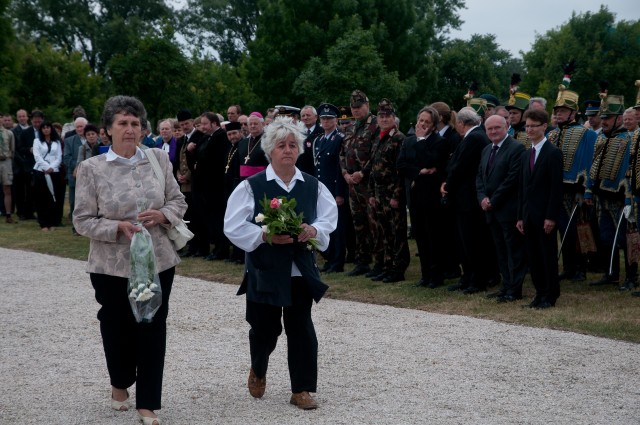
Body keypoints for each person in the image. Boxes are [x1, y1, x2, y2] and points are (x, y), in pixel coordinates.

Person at [73, 96, 187, 425]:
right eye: (122, 123)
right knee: (117, 326)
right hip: (111, 265)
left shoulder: (158, 159)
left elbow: (178, 201)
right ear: (108, 129)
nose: (130, 129)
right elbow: (82, 220)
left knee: (152, 327)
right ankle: (120, 381)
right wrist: (116, 227)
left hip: (157, 260)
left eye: (135, 123)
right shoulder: (92, 168)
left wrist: (163, 214)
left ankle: (147, 403)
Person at [223, 116, 338, 410]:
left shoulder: (313, 185)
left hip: (300, 270)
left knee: (301, 328)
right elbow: (233, 225)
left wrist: (314, 230)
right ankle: (259, 368)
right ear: (270, 150)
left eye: (292, 145)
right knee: (265, 329)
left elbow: (328, 218)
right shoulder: (252, 186)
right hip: (265, 268)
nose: (287, 150)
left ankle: (302, 389)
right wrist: (264, 235)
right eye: (281, 145)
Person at [547, 77, 597, 282]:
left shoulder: (586, 134)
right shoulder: (552, 135)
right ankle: (568, 267)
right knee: (561, 228)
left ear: (573, 113)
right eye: (557, 111)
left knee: (579, 229)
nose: (558, 114)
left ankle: (580, 268)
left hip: (577, 190)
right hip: (556, 189)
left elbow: (590, 162)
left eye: (563, 111)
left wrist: (586, 190)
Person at [441, 107, 496, 294]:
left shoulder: (473, 138)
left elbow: (458, 167)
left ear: (461, 123)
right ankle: (468, 277)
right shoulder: (476, 136)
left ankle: (476, 279)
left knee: (471, 241)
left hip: (468, 199)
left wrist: (447, 186)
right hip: (466, 198)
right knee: (465, 240)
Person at [586, 94, 636, 289]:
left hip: (620, 198)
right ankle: (611, 273)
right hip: (601, 196)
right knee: (606, 237)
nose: (604, 121)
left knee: (626, 238)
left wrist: (629, 198)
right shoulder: (600, 138)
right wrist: (589, 190)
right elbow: (593, 166)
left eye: (608, 118)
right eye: (603, 117)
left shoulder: (629, 139)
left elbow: (631, 171)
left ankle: (631, 277)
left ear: (619, 118)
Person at [476, 115, 527, 302]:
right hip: (491, 211)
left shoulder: (516, 148)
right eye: (489, 129)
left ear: (507, 126)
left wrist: (493, 200)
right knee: (501, 251)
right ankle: (505, 286)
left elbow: (512, 179)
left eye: (497, 127)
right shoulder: (486, 149)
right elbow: (480, 177)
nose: (493, 131)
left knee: (514, 251)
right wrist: (482, 198)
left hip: (508, 209)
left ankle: (515, 289)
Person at [517, 109, 564, 309]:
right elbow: (522, 188)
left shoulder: (553, 153)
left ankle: (550, 294)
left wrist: (551, 216)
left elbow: (556, 188)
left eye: (533, 126)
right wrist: (520, 216)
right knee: (533, 256)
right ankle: (539, 293)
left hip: (545, 215)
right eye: (527, 126)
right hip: (529, 215)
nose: (529, 130)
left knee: (547, 255)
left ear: (544, 126)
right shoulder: (526, 154)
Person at [397, 106, 448, 288]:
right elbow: (401, 165)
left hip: (431, 195)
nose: (423, 124)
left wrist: (420, 141)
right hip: (415, 194)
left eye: (427, 122)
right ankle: (425, 275)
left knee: (433, 235)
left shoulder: (439, 142)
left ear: (433, 125)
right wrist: (419, 172)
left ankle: (436, 275)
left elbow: (430, 161)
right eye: (421, 120)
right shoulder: (408, 141)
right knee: (419, 235)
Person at [363, 99, 409, 283]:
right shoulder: (379, 138)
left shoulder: (399, 139)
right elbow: (373, 167)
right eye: (381, 116)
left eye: (387, 116)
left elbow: (401, 171)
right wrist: (372, 194)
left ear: (393, 118)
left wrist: (397, 196)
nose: (383, 119)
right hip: (379, 193)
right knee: (385, 232)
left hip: (392, 194)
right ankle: (388, 266)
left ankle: (399, 268)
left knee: (397, 232)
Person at [340, 90, 379, 276]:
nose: (355, 110)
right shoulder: (350, 128)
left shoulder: (376, 125)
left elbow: (377, 154)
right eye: (353, 107)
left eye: (359, 106)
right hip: (352, 185)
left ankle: (380, 262)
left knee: (374, 224)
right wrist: (345, 173)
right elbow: (342, 154)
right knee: (358, 224)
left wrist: (362, 173)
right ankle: (362, 261)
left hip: (369, 185)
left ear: (367, 105)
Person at [314, 103, 347, 273]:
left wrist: (339, 193)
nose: (326, 121)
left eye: (329, 118)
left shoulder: (340, 139)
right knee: (326, 225)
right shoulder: (320, 140)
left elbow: (340, 169)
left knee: (338, 227)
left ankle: (337, 261)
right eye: (323, 118)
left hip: (334, 189)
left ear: (336, 120)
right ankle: (329, 258)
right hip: (322, 189)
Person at [32, 122, 63, 231]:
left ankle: (53, 222)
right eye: (43, 128)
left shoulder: (57, 142)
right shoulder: (37, 141)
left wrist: (52, 167)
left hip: (54, 171)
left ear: (51, 129)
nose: (46, 129)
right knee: (41, 198)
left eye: (48, 127)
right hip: (40, 171)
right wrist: (46, 167)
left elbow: (59, 157)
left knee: (53, 197)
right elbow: (37, 156)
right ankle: (43, 223)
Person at [0, 122, 16, 223]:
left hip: (6, 161)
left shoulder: (9, 133)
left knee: (7, 188)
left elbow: (12, 149)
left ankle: (8, 215)